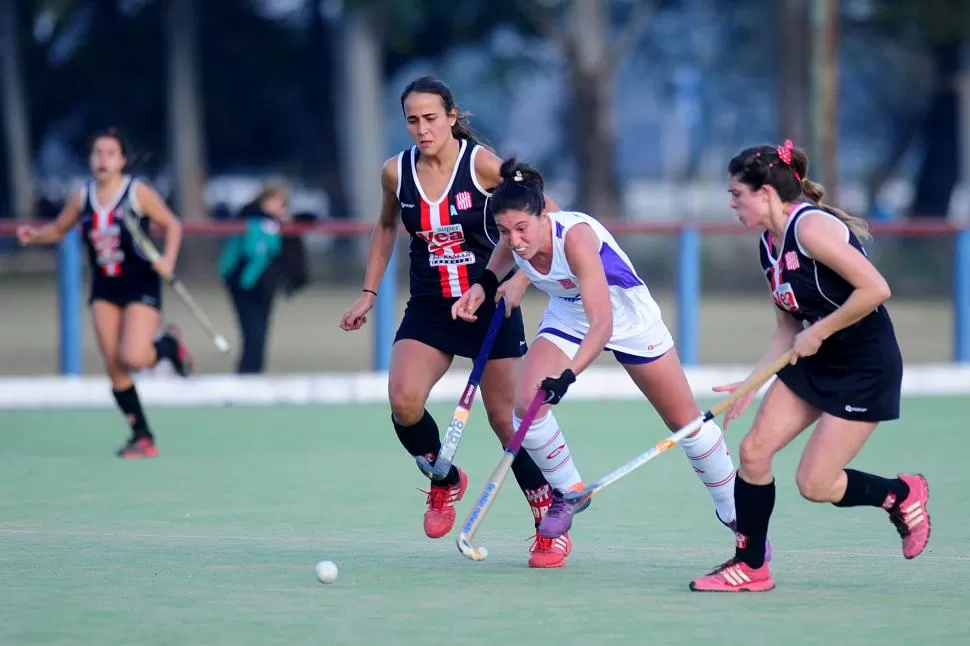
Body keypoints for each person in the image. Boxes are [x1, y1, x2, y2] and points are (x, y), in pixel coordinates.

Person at [339, 76, 576, 568]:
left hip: (489, 303)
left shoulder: (483, 165)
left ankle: (546, 519)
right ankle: (444, 479)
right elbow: (386, 226)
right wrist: (368, 292)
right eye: (412, 120)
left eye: (431, 118)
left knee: (507, 420)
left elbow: (547, 219)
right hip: (430, 304)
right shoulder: (395, 172)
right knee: (403, 401)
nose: (422, 130)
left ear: (451, 116)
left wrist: (520, 280)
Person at [452, 158, 742, 550]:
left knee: (687, 425)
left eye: (522, 228)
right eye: (505, 230)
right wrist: (485, 284)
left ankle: (737, 513)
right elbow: (506, 252)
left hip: (625, 316)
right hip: (568, 314)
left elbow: (602, 323)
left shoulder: (575, 239)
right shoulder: (513, 234)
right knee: (525, 406)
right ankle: (570, 491)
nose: (516, 238)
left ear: (543, 216)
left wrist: (567, 376)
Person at [687, 140, 930, 593]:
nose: (732, 204)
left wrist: (820, 330)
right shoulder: (768, 245)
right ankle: (751, 565)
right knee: (754, 452)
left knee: (815, 484)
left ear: (764, 194)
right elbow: (787, 326)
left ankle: (900, 494)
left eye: (737, 194)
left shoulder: (812, 229)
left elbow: (875, 289)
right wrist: (752, 383)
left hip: (864, 366)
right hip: (816, 360)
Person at [16, 128, 193, 458]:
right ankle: (142, 435)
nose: (102, 160)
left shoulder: (137, 192)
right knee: (114, 364)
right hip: (105, 286)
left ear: (122, 160)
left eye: (110, 154)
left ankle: (169, 347)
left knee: (135, 356)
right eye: (97, 153)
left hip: (140, 282)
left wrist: (168, 258)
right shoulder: (82, 196)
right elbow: (58, 229)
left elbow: (173, 225)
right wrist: (34, 236)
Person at [219, 179, 306, 374]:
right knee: (253, 333)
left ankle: (254, 373)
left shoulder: (283, 224)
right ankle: (246, 375)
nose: (279, 207)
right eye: (276, 201)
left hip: (266, 286)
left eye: (282, 203)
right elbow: (249, 251)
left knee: (260, 334)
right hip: (242, 284)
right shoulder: (249, 216)